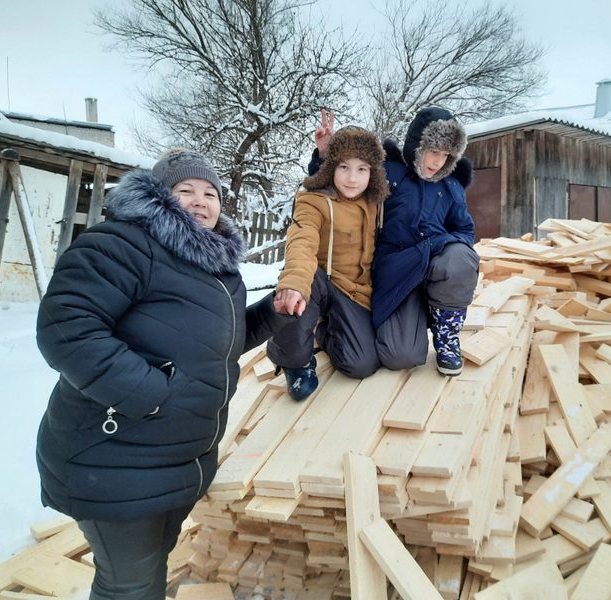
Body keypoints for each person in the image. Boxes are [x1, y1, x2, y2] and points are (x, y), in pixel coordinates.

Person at [35, 148, 287, 600]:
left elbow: (213, 346)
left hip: (174, 461)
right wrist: (150, 393)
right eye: (186, 190)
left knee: (146, 575)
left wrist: (273, 314)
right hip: (112, 458)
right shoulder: (121, 244)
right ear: (159, 196)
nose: (201, 201)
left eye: (210, 193)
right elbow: (66, 328)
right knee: (127, 586)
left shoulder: (214, 268)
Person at [310, 106, 479, 376]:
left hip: (433, 268)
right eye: (434, 151)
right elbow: (344, 187)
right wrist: (324, 157)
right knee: (400, 356)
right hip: (397, 272)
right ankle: (330, 328)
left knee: (460, 256)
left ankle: (446, 336)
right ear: (418, 144)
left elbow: (465, 231)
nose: (438, 162)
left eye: (446, 155)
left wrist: (437, 247)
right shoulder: (389, 172)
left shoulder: (451, 187)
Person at [269, 125, 389, 400]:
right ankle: (292, 359)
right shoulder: (313, 199)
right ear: (332, 166)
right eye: (344, 167)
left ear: (372, 172)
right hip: (318, 282)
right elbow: (302, 240)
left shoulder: (376, 202)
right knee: (300, 284)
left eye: (362, 169)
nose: (352, 178)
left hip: (353, 291)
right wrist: (294, 283)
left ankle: (323, 330)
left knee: (361, 364)